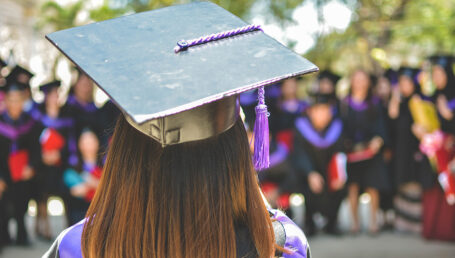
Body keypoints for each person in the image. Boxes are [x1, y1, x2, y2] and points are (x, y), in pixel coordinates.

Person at [43, 2, 317, 257]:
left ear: (124, 154)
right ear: (235, 155)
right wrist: (255, 200)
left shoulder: (80, 245)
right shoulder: (279, 245)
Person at [341, 69, 388, 235]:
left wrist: (379, 140)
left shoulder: (375, 103)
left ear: (368, 82)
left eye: (363, 79)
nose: (360, 82)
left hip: (371, 152)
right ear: (351, 81)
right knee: (353, 186)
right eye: (357, 78)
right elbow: (341, 128)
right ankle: (355, 223)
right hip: (351, 152)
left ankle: (373, 223)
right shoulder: (344, 104)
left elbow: (381, 126)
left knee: (372, 186)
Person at [293, 93, 346, 236]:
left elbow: (340, 153)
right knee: (304, 182)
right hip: (309, 173)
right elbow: (300, 154)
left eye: (325, 110)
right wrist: (310, 173)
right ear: (310, 112)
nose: (323, 114)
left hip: (329, 172)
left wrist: (339, 174)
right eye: (318, 110)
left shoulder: (336, 127)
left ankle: (332, 222)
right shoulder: (301, 127)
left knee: (342, 184)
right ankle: (309, 222)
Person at [388, 67, 433, 233]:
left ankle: (416, 224)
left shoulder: (421, 101)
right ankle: (403, 223)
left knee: (415, 182)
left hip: (416, 150)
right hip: (401, 150)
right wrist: (394, 100)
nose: (404, 86)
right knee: (402, 182)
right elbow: (391, 122)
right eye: (401, 83)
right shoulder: (398, 102)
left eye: (407, 82)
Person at [0, 81, 41, 246]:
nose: (15, 103)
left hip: (23, 171)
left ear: (24, 101)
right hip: (3, 172)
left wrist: (32, 167)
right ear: (6, 101)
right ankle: (3, 235)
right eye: (11, 99)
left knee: (22, 201)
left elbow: (36, 149)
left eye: (18, 99)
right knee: (3, 205)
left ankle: (21, 234)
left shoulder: (30, 123)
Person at [35, 81, 77, 239]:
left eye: (57, 94)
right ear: (46, 97)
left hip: (61, 163)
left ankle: (68, 227)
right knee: (42, 186)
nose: (55, 97)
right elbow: (33, 141)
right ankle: (45, 228)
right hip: (43, 164)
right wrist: (42, 156)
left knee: (63, 185)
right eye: (52, 94)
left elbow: (70, 142)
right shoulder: (38, 117)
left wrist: (59, 154)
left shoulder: (67, 116)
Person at [63, 128, 102, 226]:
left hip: (101, 209)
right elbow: (74, 191)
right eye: (85, 141)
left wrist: (88, 184)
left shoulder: (106, 164)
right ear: (80, 145)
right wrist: (95, 184)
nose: (88, 144)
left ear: (97, 143)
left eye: (91, 141)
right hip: (80, 210)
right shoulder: (74, 166)